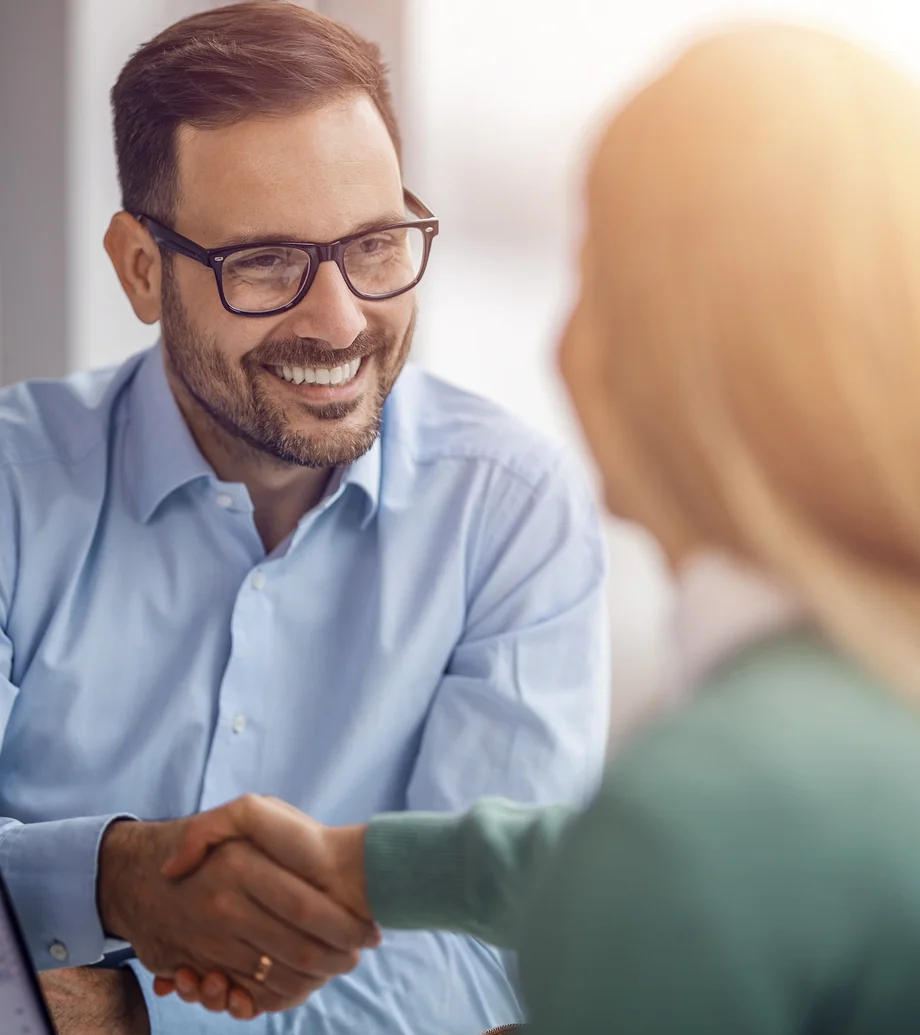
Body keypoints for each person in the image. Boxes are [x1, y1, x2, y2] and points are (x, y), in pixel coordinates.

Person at [161, 22, 920, 1034]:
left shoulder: (688, 832)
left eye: (588, 275)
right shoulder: (842, 738)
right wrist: (374, 868)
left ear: (621, 363)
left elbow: (682, 864)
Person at [0, 2, 610, 1033]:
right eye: (266, 263)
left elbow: (487, 949)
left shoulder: (510, 509)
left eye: (373, 244)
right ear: (142, 269)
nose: (338, 321)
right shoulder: (15, 485)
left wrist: (114, 1006)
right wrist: (111, 876)